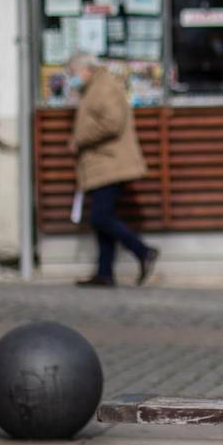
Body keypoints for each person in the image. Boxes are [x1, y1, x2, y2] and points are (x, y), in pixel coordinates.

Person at [68, 51, 159, 288]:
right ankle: (104, 272)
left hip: (110, 162)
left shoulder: (103, 87)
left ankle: (142, 251)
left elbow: (112, 122)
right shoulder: (95, 87)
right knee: (101, 219)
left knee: (101, 216)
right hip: (102, 162)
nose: (73, 78)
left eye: (74, 73)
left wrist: (80, 138)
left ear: (86, 70)